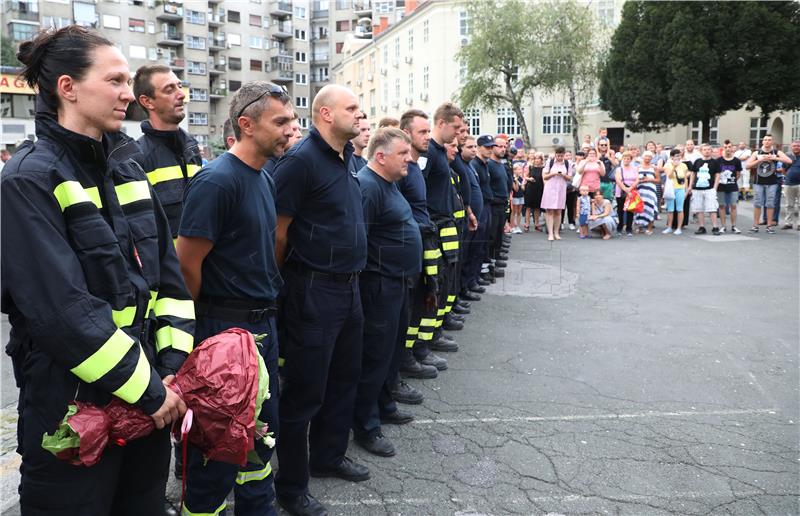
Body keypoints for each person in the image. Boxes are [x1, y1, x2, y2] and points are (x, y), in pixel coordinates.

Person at [2, 25, 191, 515]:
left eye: (128, 81)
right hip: (71, 404)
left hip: (149, 398)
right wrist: (150, 389)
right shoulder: (28, 180)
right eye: (115, 81)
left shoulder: (128, 171)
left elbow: (169, 282)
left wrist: (170, 372)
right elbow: (61, 313)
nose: (129, 94)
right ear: (68, 87)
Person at [177, 81, 293, 516]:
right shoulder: (217, 181)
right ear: (246, 124)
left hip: (261, 329)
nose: (290, 130)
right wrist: (205, 336)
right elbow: (187, 265)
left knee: (259, 440)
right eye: (280, 121)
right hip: (225, 331)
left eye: (292, 120)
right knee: (216, 450)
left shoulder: (262, 177)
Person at [272, 85, 369, 516]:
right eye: (352, 108)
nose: (360, 114)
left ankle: (328, 456)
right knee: (304, 392)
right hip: (312, 289)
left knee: (344, 378)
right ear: (325, 114)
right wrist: (284, 285)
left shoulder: (346, 157)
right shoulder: (300, 161)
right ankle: (291, 486)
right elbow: (278, 231)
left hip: (349, 288)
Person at [352, 128, 421, 458]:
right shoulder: (368, 186)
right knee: (374, 358)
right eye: (402, 154)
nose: (409, 159)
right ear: (380, 156)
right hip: (378, 286)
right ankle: (366, 426)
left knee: (391, 353)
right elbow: (359, 241)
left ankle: (384, 404)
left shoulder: (389, 184)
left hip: (398, 283)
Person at [397, 109, 442, 384]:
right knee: (409, 307)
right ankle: (405, 359)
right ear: (406, 134)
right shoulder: (401, 171)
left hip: (423, 244)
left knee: (422, 300)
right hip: (408, 251)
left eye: (428, 131)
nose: (428, 137)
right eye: (422, 132)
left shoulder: (415, 167)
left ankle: (413, 354)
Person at [132, 65, 203, 241]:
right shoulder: (136, 158)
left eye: (179, 86)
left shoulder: (191, 148)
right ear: (147, 101)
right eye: (169, 89)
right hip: (168, 266)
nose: (181, 94)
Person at [746, 134, 791, 234]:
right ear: (762, 142)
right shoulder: (757, 152)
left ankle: (769, 226)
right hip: (759, 182)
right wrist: (759, 160)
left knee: (770, 203)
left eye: (769, 140)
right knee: (757, 203)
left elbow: (789, 160)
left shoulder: (776, 152)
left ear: (772, 142)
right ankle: (755, 226)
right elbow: (747, 165)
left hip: (772, 182)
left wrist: (775, 158)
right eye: (765, 140)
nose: (767, 141)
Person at [688, 143, 721, 235]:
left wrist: (715, 187)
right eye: (705, 149)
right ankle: (702, 227)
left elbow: (718, 175)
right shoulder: (697, 161)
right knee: (698, 209)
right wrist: (690, 185)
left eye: (708, 149)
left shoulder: (715, 162)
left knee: (712, 208)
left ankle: (715, 227)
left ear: (711, 151)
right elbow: (693, 173)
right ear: (701, 151)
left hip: (709, 188)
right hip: (697, 188)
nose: (707, 151)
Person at [541, 146, 573, 241]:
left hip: (561, 189)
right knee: (550, 211)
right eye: (558, 155)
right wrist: (553, 174)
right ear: (555, 154)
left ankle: (556, 232)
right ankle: (550, 233)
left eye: (561, 156)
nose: (559, 157)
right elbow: (545, 177)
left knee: (558, 211)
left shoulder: (568, 163)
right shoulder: (549, 162)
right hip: (550, 188)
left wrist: (563, 175)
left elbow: (570, 178)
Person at [716, 139, 743, 234]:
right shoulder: (718, 160)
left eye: (729, 147)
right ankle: (723, 226)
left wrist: (732, 181)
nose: (728, 149)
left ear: (732, 148)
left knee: (733, 206)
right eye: (726, 147)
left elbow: (738, 174)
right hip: (721, 186)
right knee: (722, 206)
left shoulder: (736, 161)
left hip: (732, 186)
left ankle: (733, 226)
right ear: (723, 148)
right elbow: (716, 174)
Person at [662, 149, 687, 235]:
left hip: (680, 188)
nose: (678, 158)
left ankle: (679, 228)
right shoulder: (667, 165)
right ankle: (669, 227)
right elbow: (669, 176)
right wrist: (674, 167)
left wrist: (686, 190)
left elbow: (685, 178)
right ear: (672, 157)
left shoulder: (683, 165)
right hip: (671, 188)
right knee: (670, 209)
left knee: (680, 209)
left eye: (679, 156)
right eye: (676, 156)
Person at [634, 151, 660, 234]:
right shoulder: (638, 167)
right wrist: (640, 180)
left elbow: (658, 180)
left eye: (649, 157)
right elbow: (634, 178)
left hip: (650, 190)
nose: (647, 158)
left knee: (649, 207)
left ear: (652, 158)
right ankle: (639, 226)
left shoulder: (654, 167)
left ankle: (649, 228)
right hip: (640, 189)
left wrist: (649, 179)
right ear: (643, 157)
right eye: (646, 156)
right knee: (639, 207)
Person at [615, 151, 639, 236]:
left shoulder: (635, 168)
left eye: (628, 158)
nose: (626, 160)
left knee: (630, 210)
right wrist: (626, 189)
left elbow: (637, 179)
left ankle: (629, 228)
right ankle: (620, 228)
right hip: (621, 192)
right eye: (624, 158)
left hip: (631, 191)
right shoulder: (619, 169)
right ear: (622, 159)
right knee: (620, 210)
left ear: (631, 160)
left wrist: (630, 189)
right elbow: (618, 180)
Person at [523, 151, 545, 232]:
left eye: (538, 158)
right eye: (535, 158)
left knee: (537, 208)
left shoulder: (543, 168)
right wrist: (529, 179)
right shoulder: (530, 167)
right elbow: (525, 176)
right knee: (528, 207)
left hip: (539, 189)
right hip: (530, 188)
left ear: (541, 160)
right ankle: (527, 224)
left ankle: (537, 224)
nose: (537, 160)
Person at [781, 140, 800, 230]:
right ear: (791, 147)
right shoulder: (787, 157)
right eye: (794, 146)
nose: (796, 147)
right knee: (789, 205)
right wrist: (789, 176)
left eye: (798, 146)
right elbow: (783, 170)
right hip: (789, 184)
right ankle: (788, 223)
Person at [596, 138, 618, 203]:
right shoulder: (595, 154)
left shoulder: (610, 154)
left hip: (608, 182)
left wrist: (609, 157)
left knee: (608, 201)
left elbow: (616, 165)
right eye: (602, 145)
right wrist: (598, 157)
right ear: (598, 146)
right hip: (598, 182)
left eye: (605, 145)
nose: (603, 146)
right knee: (597, 202)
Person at [510, 162, 525, 233]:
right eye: (519, 170)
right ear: (514, 170)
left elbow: (523, 189)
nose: (520, 171)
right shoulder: (512, 178)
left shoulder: (521, 178)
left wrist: (523, 184)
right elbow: (516, 189)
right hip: (515, 197)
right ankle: (512, 226)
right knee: (514, 212)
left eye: (521, 169)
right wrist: (516, 181)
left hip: (521, 196)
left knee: (519, 212)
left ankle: (517, 226)